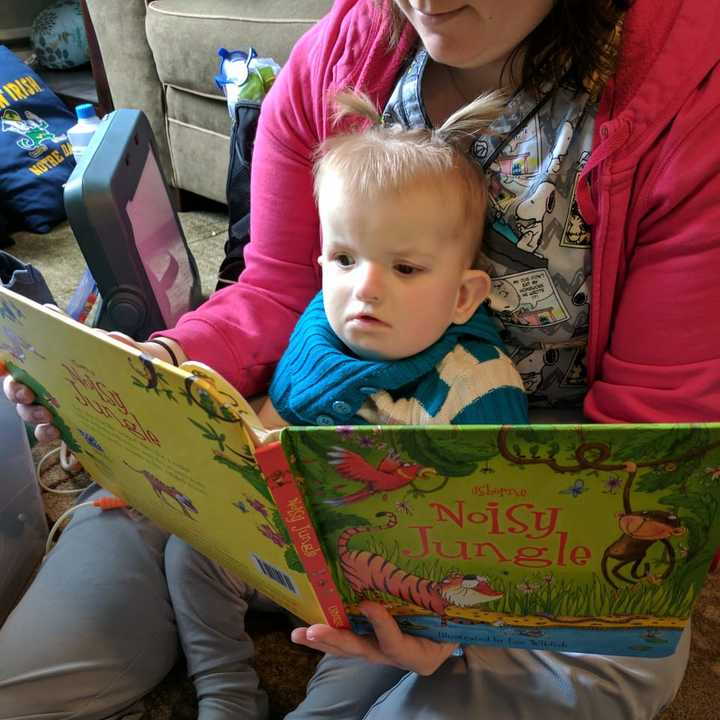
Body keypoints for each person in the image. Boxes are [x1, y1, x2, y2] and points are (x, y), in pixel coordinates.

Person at [2, 0, 719, 718]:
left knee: (574, 659)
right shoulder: (334, 59)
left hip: (528, 497)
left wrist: (463, 620)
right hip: (298, 449)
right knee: (30, 677)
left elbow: (656, 441)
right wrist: (158, 369)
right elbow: (277, 291)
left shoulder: (692, 94)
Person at [260, 89, 528, 429]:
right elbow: (265, 437)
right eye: (344, 259)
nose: (365, 289)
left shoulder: (479, 386)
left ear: (462, 297)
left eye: (404, 268)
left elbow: (499, 481)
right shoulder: (314, 340)